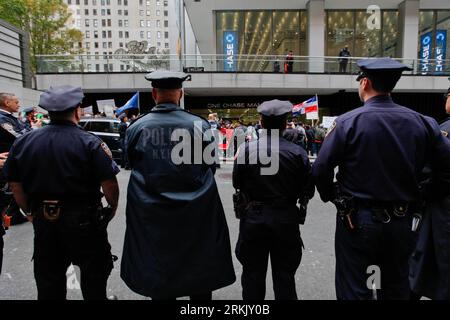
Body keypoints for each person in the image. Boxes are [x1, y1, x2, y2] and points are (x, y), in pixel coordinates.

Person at [312, 58, 450, 300]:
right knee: (396, 287)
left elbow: (321, 168)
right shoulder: (423, 123)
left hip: (357, 220)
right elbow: (446, 168)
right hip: (403, 220)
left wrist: (333, 196)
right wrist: (425, 192)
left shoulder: (347, 122)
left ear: (364, 83)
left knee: (356, 287)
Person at [121, 71, 236, 300]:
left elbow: (130, 164)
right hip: (196, 211)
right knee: (199, 264)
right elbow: (210, 166)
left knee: (158, 268)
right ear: (180, 94)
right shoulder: (199, 125)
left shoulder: (137, 127)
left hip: (152, 212)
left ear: (154, 94)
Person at [3, 85, 120, 300]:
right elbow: (109, 183)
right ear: (76, 110)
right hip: (85, 220)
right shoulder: (90, 142)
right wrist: (112, 207)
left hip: (44, 219)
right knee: (94, 276)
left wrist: (28, 210)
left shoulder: (23, 142)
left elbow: (15, 184)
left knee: (49, 279)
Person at [233, 99, 314, 300]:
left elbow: (237, 181)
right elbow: (308, 190)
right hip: (286, 218)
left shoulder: (246, 150)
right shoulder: (298, 152)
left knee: (252, 276)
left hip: (254, 217)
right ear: (285, 124)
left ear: (261, 122)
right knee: (285, 277)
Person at [409, 83, 450, 300]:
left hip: (442, 209)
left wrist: (421, 193)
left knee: (429, 262)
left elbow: (430, 171)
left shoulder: (444, 131)